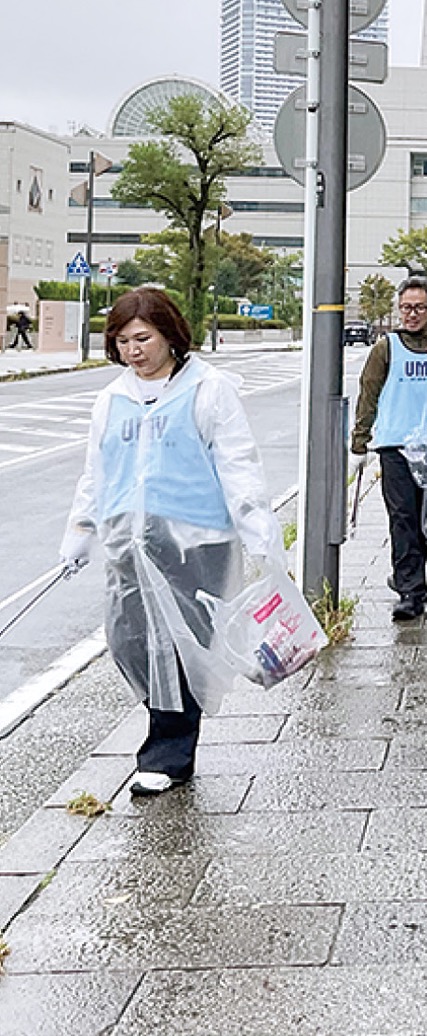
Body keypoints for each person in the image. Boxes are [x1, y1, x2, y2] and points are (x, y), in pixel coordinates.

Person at [58, 289, 283, 797]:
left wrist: (259, 533)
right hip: (128, 543)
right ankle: (166, 733)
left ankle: (169, 753)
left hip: (194, 542)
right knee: (130, 642)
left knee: (181, 647)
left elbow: (237, 462)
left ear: (170, 336)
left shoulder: (208, 389)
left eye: (143, 339)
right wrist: (80, 531)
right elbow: (96, 471)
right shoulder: (111, 399)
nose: (133, 351)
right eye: (121, 341)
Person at [351, 276, 427, 621]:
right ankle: (410, 590)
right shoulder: (385, 347)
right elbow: (368, 395)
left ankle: (413, 577)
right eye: (406, 308)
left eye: (419, 307)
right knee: (401, 518)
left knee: (425, 518)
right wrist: (359, 443)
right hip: (395, 446)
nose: (412, 314)